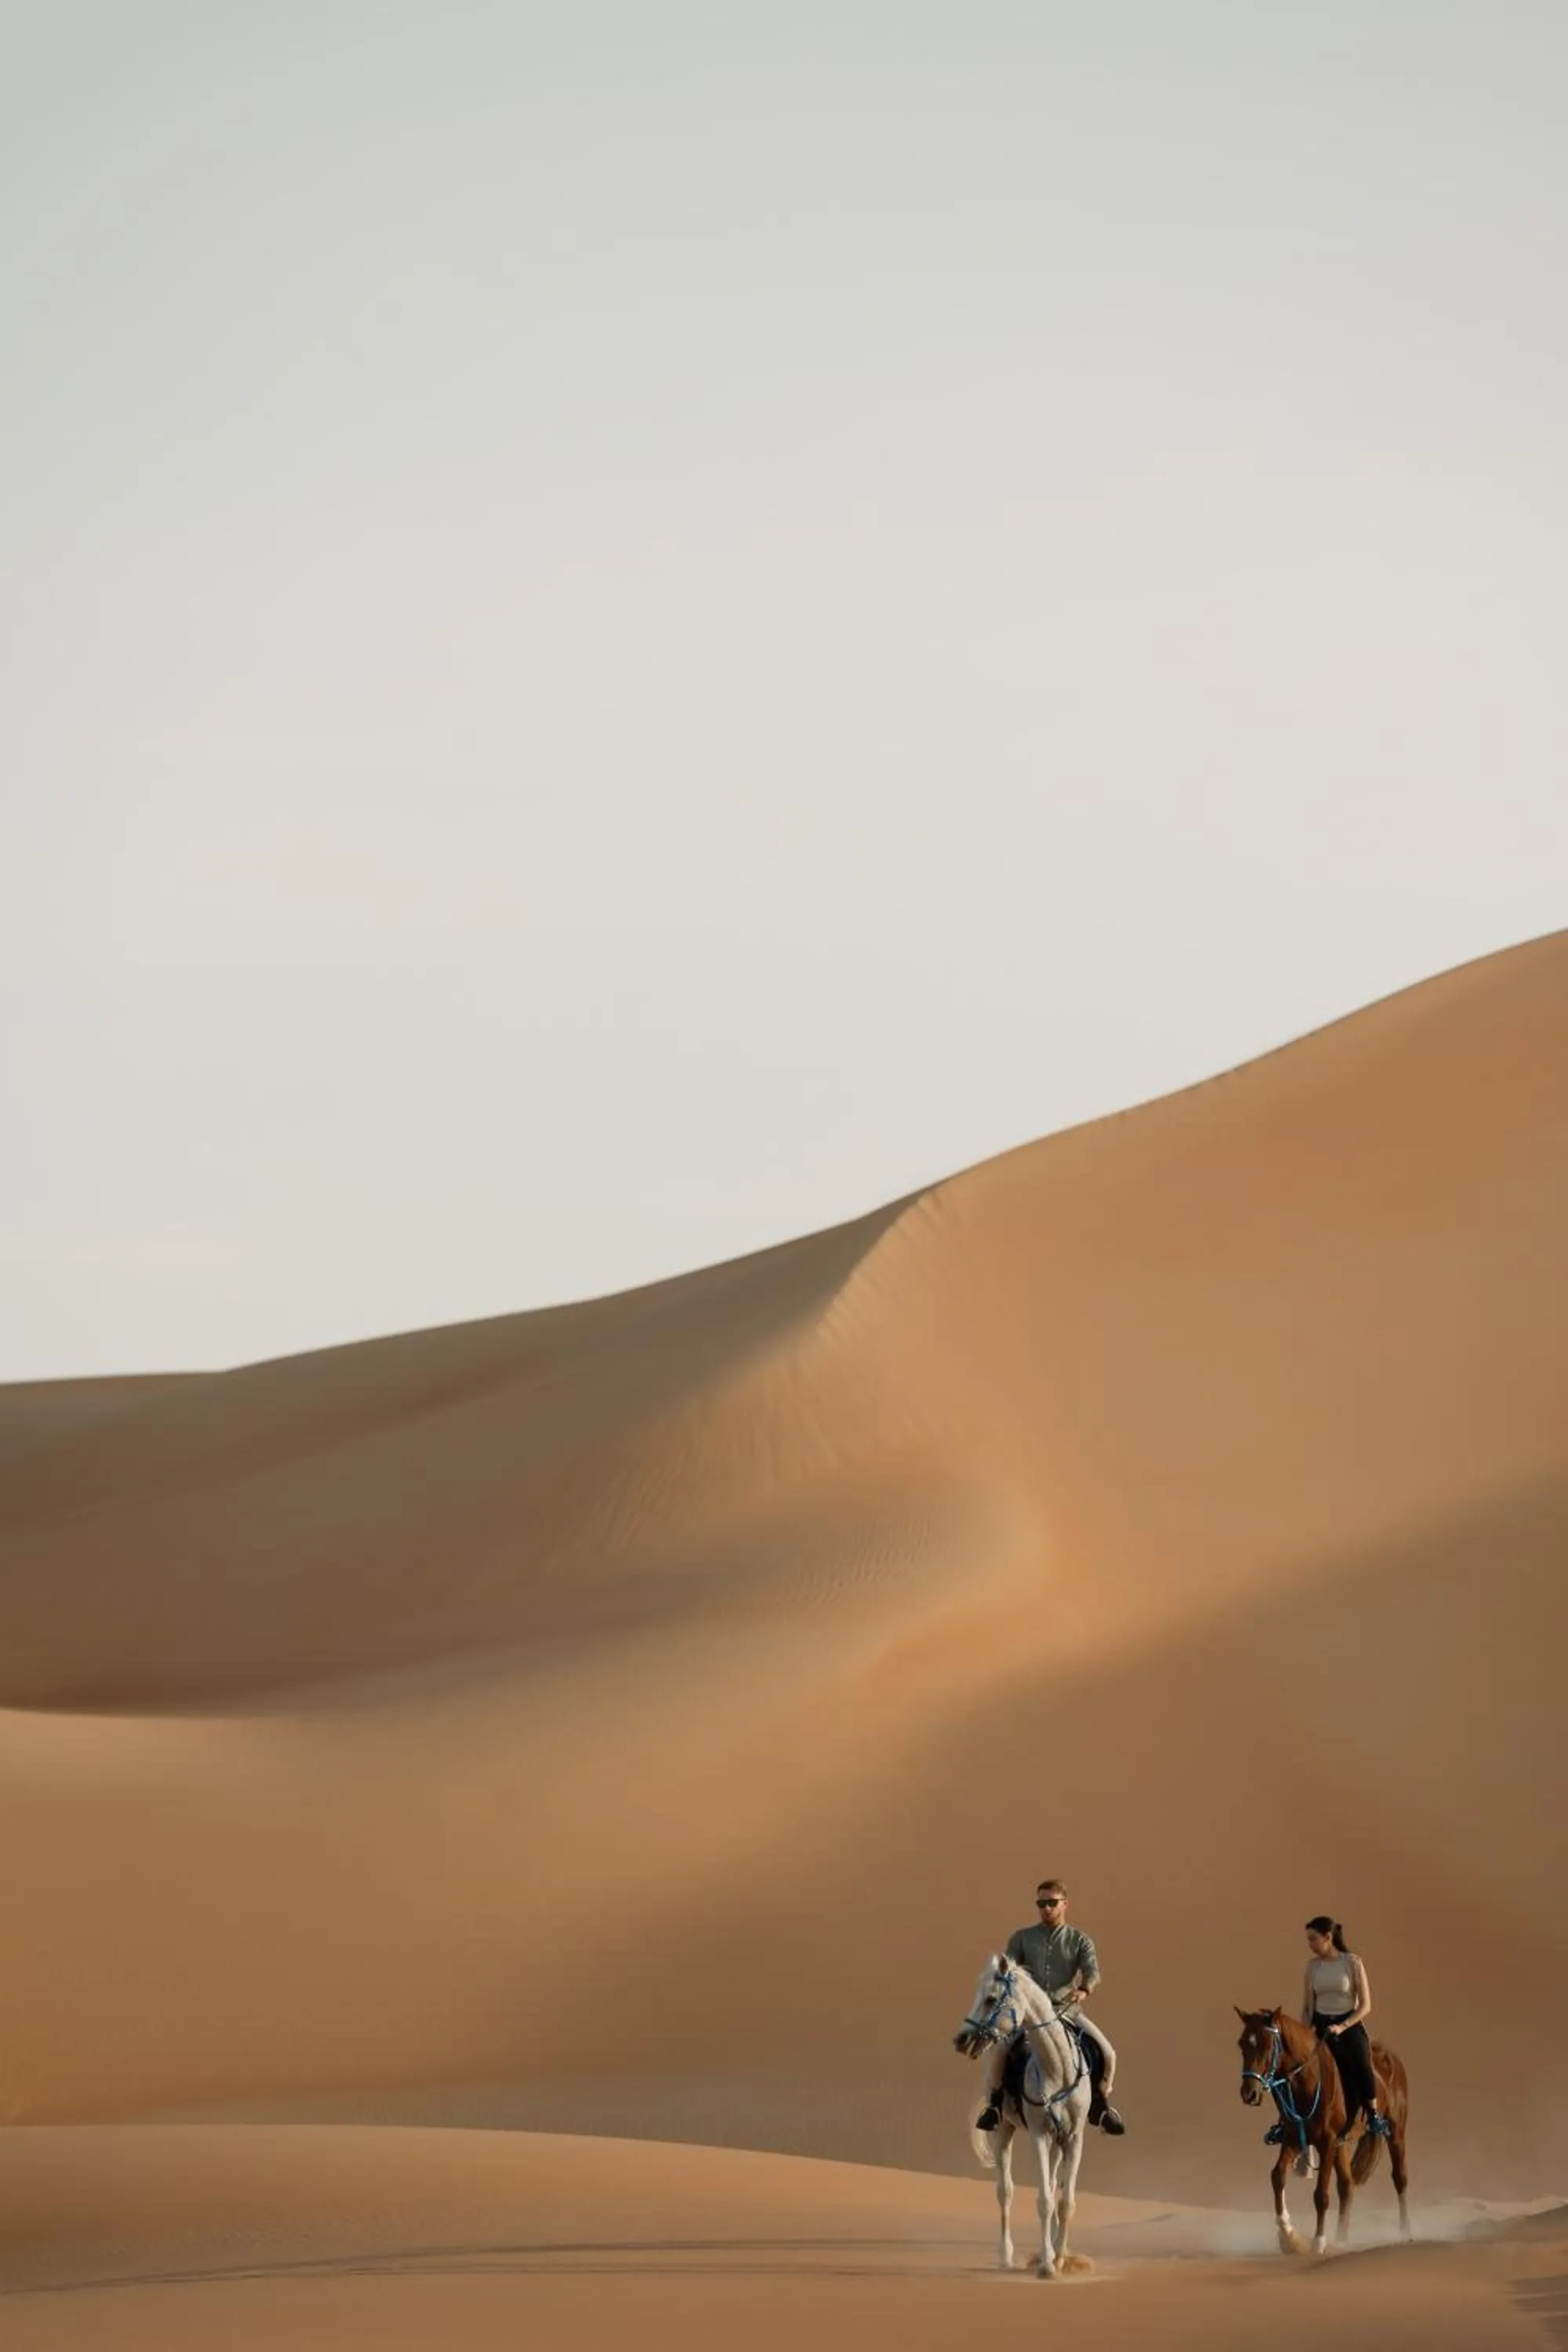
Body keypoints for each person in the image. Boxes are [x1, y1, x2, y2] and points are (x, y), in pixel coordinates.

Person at [975, 1878, 1126, 2135]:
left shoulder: (1080, 1941)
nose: (1046, 1908)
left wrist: (1083, 1989)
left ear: (1065, 1904)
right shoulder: (1022, 1938)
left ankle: (1100, 2106)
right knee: (999, 2052)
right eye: (1041, 1903)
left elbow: (1092, 1972)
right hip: (1029, 2014)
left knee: (1108, 2053)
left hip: (1066, 2011)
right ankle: (995, 2106)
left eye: (1052, 1903)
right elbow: (1008, 1970)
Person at [1302, 1915, 1386, 2142]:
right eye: (1308, 1939)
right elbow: (1307, 2006)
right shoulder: (1313, 1967)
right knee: (1294, 2067)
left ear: (1328, 1937)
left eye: (1313, 1939)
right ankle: (1287, 2123)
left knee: (1361, 2063)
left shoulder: (1352, 1963)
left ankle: (1373, 2114)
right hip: (1320, 2024)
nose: (1310, 1944)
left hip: (1348, 2025)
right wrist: (1304, 2032)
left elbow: (1366, 2005)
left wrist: (1343, 2026)